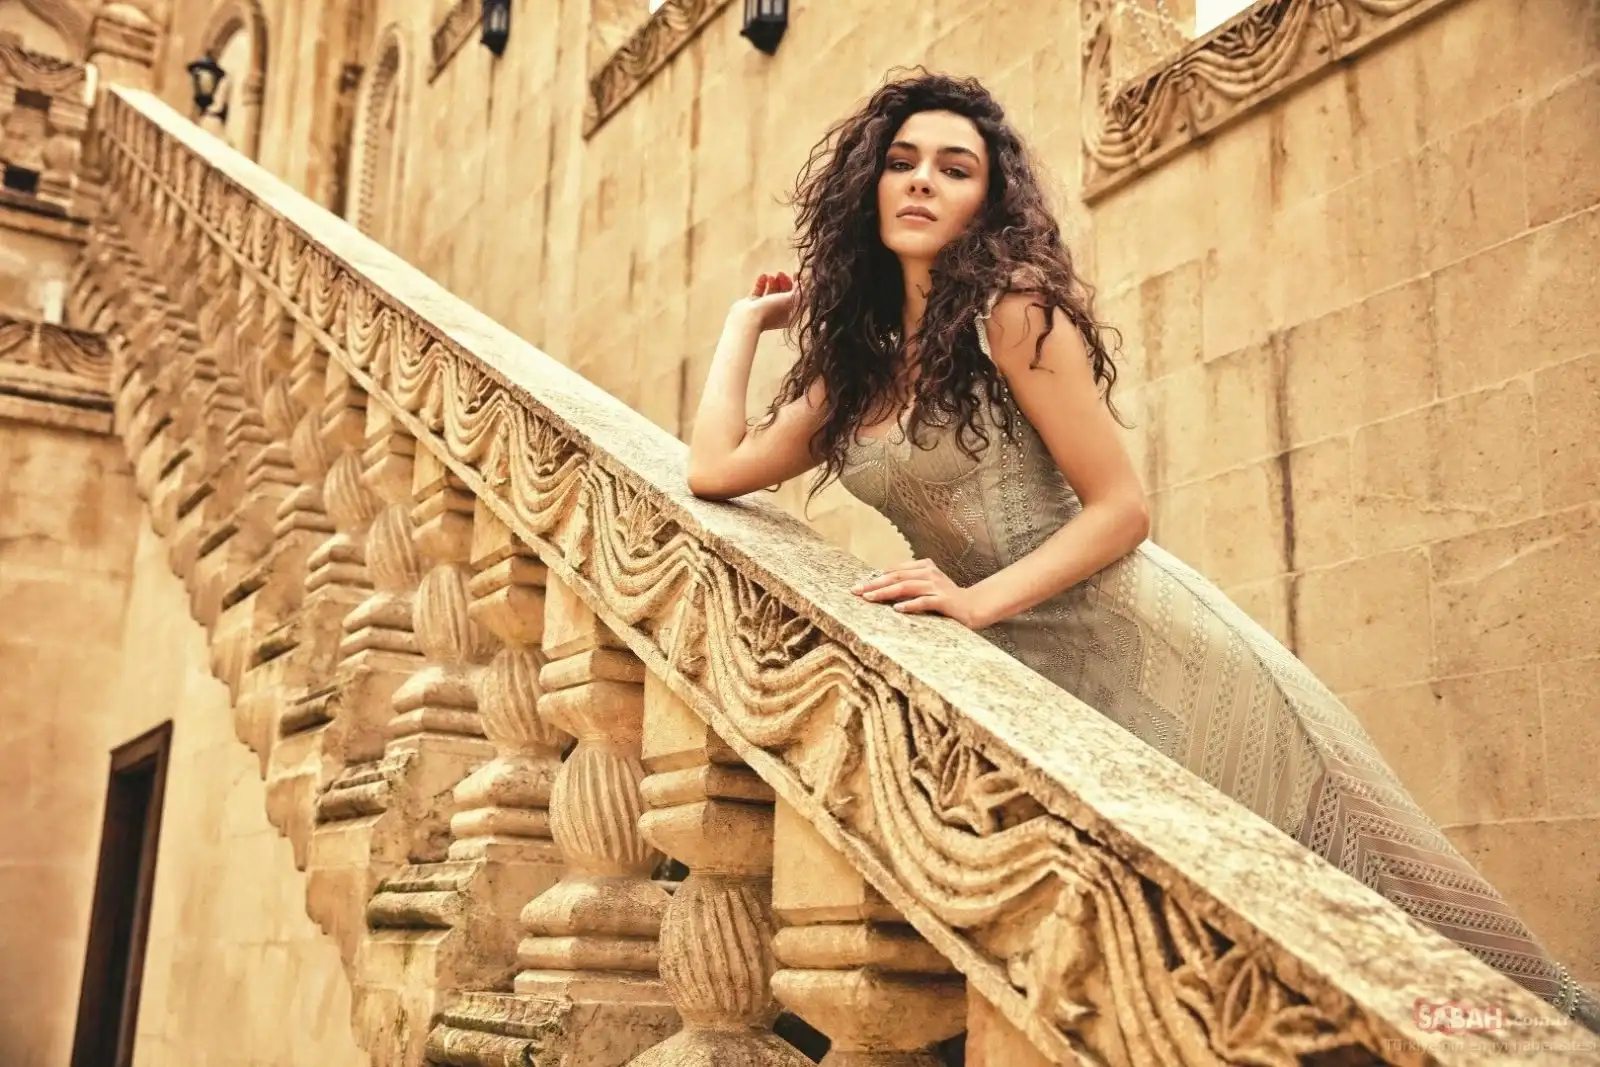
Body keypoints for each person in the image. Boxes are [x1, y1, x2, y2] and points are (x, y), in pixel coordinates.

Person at [685, 69, 1597, 1029]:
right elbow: (714, 470)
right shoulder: (855, 374)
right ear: (868, 185)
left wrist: (974, 601)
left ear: (987, 202)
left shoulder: (1012, 314)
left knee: (1398, 910)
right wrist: (745, 326)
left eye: (955, 169)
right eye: (902, 162)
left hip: (1171, 659)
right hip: (1046, 685)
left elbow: (1122, 508)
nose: (921, 181)